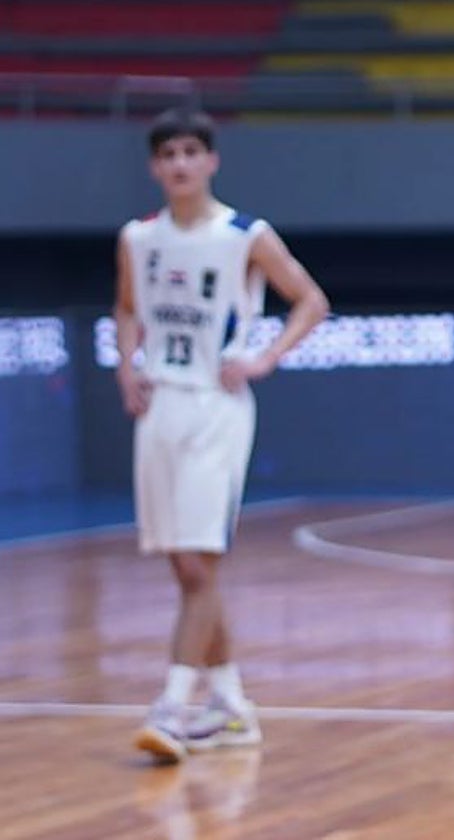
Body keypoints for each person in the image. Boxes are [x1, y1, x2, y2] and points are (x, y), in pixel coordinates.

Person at [114, 107, 330, 763]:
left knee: (198, 561)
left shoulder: (244, 234)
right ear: (155, 167)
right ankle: (232, 706)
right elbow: (126, 308)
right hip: (160, 406)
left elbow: (311, 300)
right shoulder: (138, 238)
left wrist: (265, 358)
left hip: (216, 405)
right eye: (168, 154)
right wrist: (126, 367)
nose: (179, 164)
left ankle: (175, 706)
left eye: (190, 152)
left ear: (210, 161)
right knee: (186, 568)